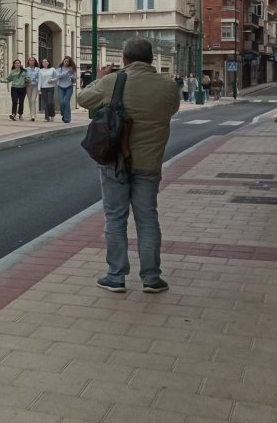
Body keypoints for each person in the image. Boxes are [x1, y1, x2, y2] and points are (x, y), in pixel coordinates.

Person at [77, 37, 180, 294]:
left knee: (115, 217)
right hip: (149, 165)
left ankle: (116, 276)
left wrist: (101, 77)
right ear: (151, 59)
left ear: (124, 59)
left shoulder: (113, 81)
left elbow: (83, 98)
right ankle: (152, 278)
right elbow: (171, 111)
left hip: (115, 162)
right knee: (147, 219)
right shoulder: (168, 86)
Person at [56, 56, 78, 123]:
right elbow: (59, 76)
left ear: (69, 62)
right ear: (63, 61)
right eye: (65, 61)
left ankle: (67, 118)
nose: (66, 62)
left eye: (67, 61)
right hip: (60, 87)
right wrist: (67, 71)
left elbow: (74, 80)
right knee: (62, 102)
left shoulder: (72, 69)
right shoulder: (60, 68)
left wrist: (71, 74)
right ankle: (63, 114)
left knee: (66, 102)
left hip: (69, 87)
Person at [37, 58, 58, 122]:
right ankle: (47, 117)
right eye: (43, 62)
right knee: (45, 103)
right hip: (43, 88)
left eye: (46, 61)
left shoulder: (52, 69)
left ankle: (52, 115)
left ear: (48, 62)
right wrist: (38, 88)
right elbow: (39, 80)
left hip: (51, 87)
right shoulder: (40, 70)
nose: (44, 63)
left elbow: (57, 77)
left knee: (50, 102)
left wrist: (52, 80)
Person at [24, 57, 41, 121]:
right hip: (28, 86)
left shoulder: (38, 69)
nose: (31, 61)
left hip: (35, 86)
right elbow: (24, 77)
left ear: (35, 61)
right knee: (30, 100)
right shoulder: (26, 69)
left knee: (33, 100)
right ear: (28, 62)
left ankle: (33, 115)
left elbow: (40, 78)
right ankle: (32, 114)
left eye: (33, 60)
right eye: (30, 60)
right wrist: (26, 79)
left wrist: (35, 79)